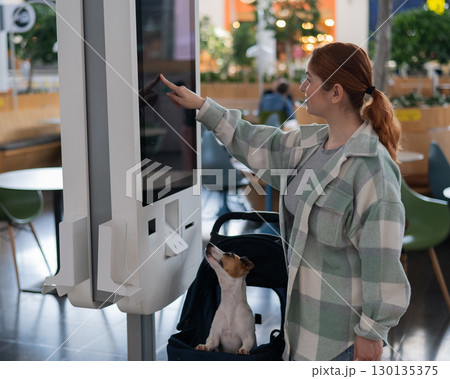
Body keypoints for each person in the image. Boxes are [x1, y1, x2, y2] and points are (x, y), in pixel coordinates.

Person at [159, 41, 411, 361]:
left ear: (335, 92)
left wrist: (372, 333)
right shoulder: (310, 143)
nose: (302, 87)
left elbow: (383, 262)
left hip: (341, 340)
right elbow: (257, 141)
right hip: (299, 328)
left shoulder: (373, 169)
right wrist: (202, 106)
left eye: (309, 79)